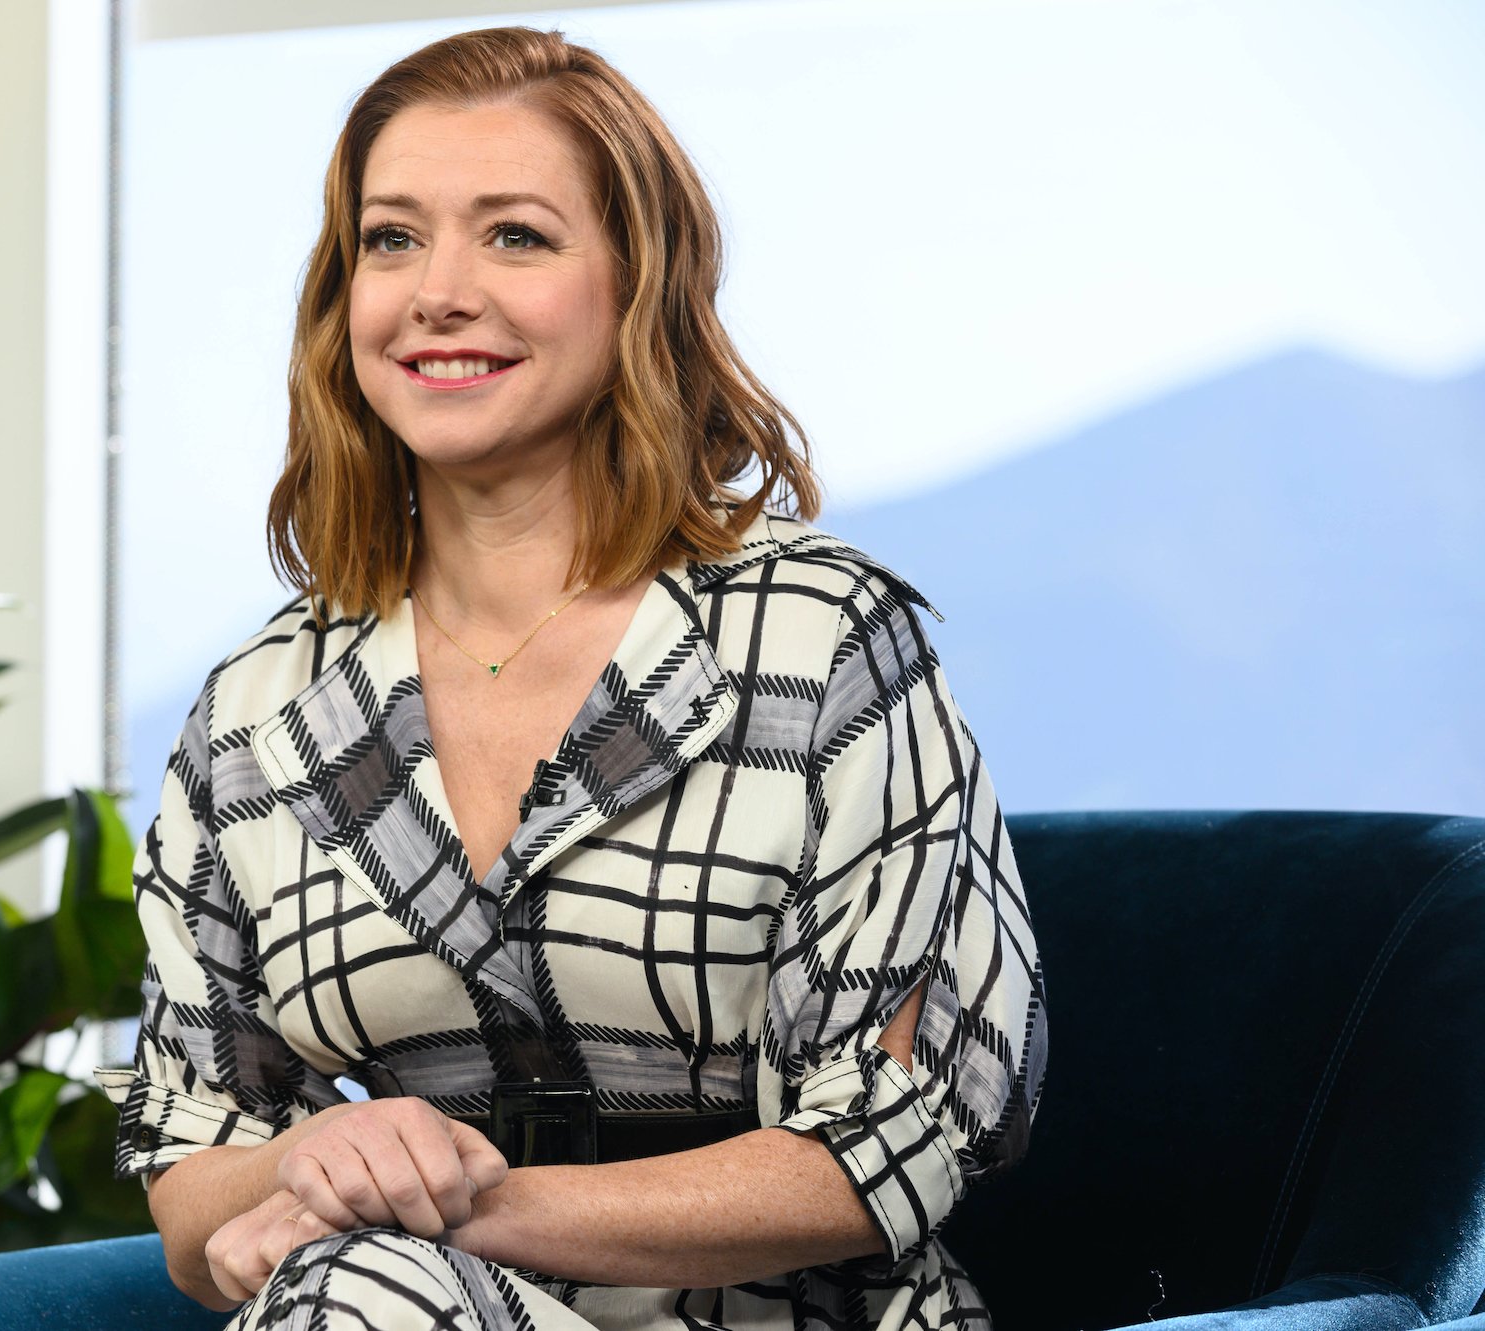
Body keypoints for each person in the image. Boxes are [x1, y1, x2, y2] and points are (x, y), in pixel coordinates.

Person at [99, 25, 1046, 1331]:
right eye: (391, 239)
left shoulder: (823, 638)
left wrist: (453, 1210)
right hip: (386, 1306)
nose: (437, 291)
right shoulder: (255, 713)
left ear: (636, 286)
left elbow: (904, 1130)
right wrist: (298, 1167)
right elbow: (194, 1167)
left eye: (515, 236)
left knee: (365, 1281)